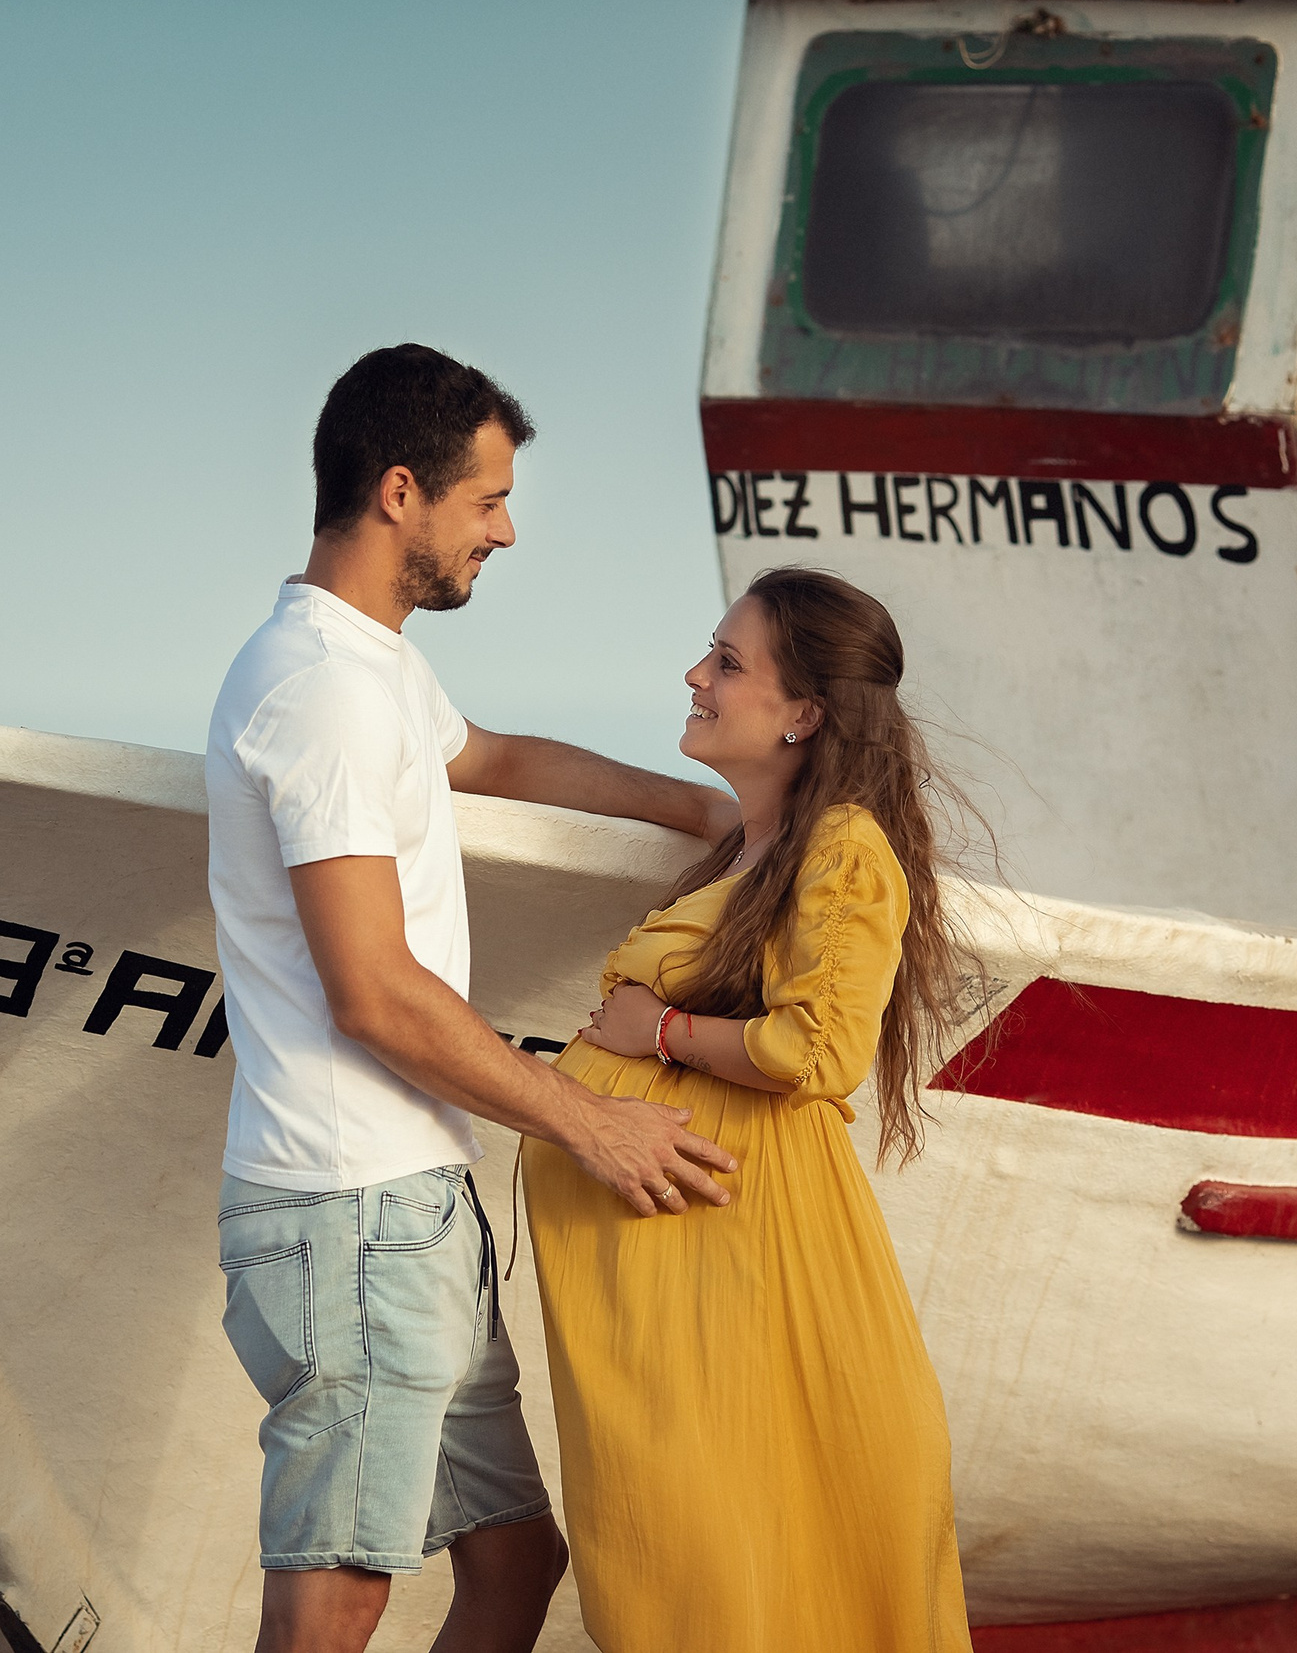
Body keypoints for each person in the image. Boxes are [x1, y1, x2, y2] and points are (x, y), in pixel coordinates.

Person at [205, 343, 743, 1653]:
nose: (505, 528)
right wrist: (589, 1121)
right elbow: (374, 994)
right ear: (401, 491)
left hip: (410, 1208)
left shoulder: (373, 664)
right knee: (335, 1600)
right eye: (487, 499)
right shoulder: (320, 691)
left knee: (514, 1561)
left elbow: (488, 755)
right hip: (350, 1217)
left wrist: (700, 812)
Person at [523, 565, 977, 1651]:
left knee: (735, 1568)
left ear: (805, 713)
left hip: (744, 1277)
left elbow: (820, 1049)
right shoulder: (748, 843)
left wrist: (658, 1034)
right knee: (697, 1572)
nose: (695, 674)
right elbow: (600, 783)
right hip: (690, 1285)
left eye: (726, 663)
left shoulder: (844, 848)